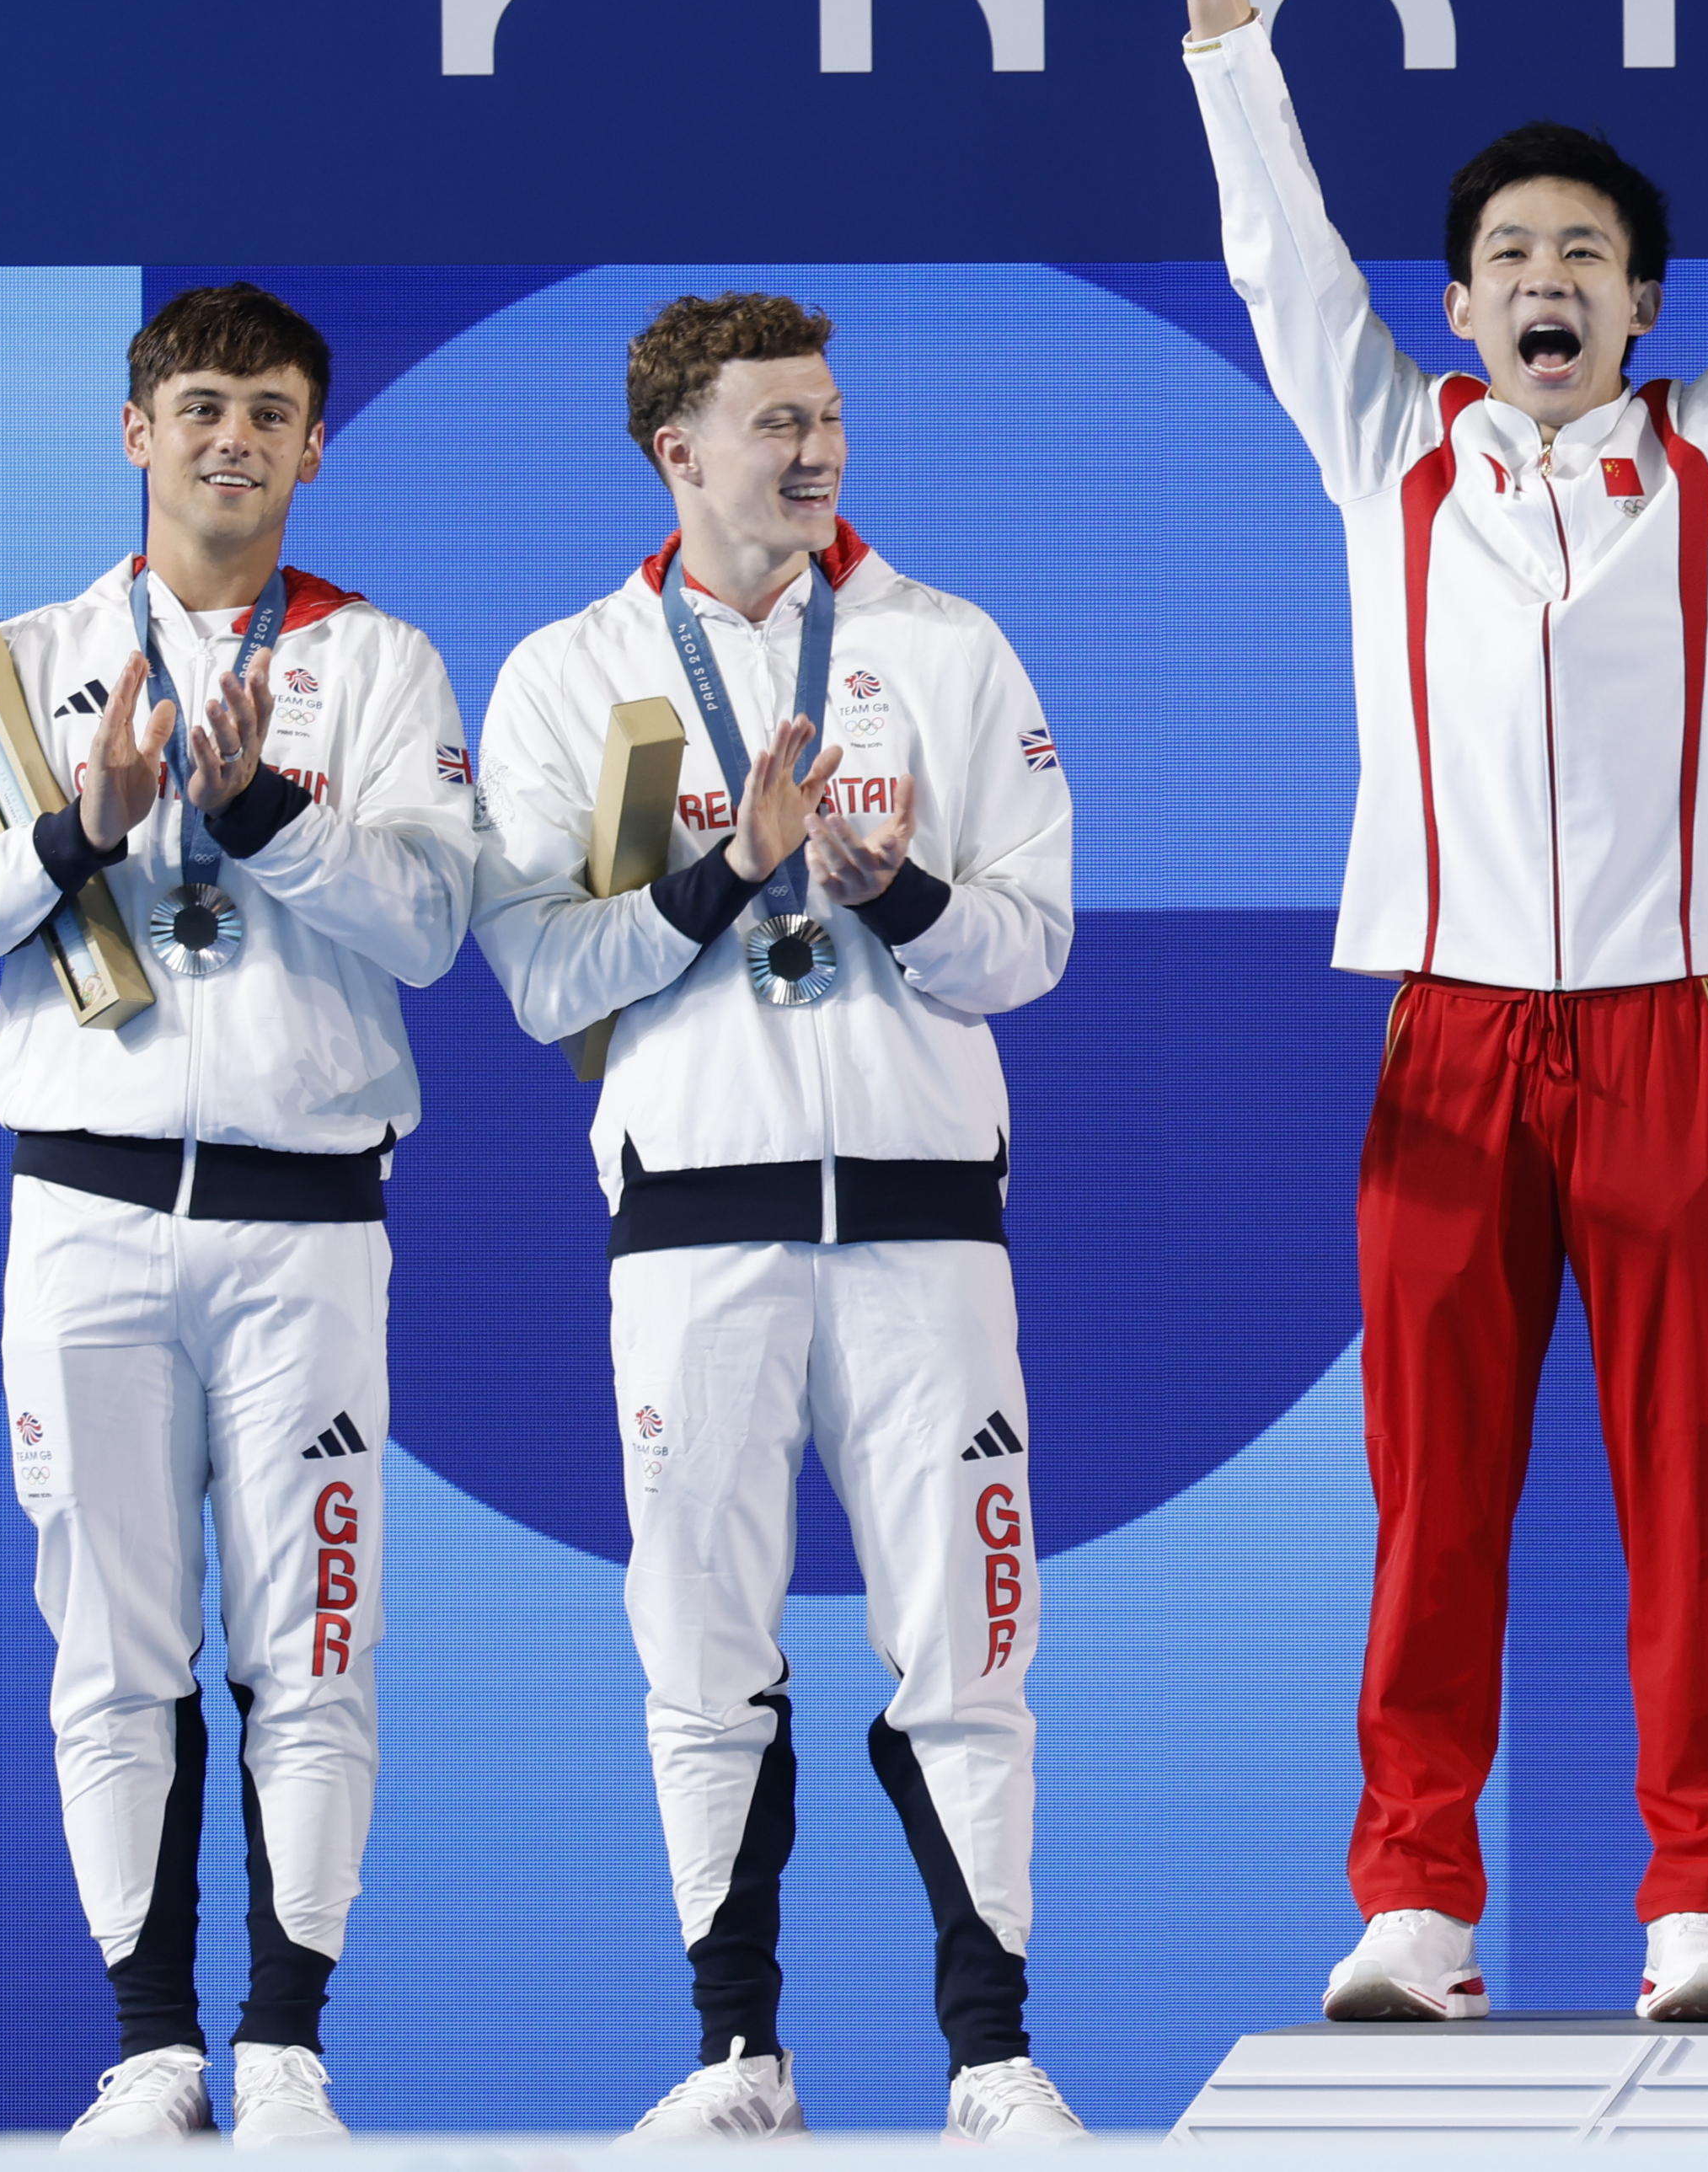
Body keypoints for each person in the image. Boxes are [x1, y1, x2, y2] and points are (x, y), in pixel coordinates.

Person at [1157, 0, 1708, 2025]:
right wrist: (1224, 1)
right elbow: (1272, 245)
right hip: (1450, 1037)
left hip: (1671, 1034)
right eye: (1510, 260)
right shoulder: (1386, 451)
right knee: (1438, 1495)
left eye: (1585, 258)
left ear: (1642, 299)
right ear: (1464, 301)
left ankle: (1699, 1896)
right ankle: (1419, 1893)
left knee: (1688, 1491)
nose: (1547, 285)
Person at [471, 293, 1082, 2143]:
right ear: (677, 449)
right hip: (695, 1227)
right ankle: (738, 2050)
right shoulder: (574, 672)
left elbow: (1036, 940)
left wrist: (891, 894)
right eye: (774, 424)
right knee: (700, 1632)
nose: (814, 451)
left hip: (922, 1223)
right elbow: (537, 969)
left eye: (827, 417)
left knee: (971, 1632)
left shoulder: (948, 647)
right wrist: (726, 871)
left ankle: (991, 2057)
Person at [0, 283, 472, 2147]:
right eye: (200, 401)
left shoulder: (376, 663)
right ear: (138, 428)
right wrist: (82, 823)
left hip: (307, 1223)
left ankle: (286, 2036)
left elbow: (437, 928)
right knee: (112, 1639)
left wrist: (267, 810)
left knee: (314, 1629)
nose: (234, 435)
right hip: (88, 1213)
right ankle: (152, 2042)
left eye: (271, 409)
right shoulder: (27, 655)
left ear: (312, 443)